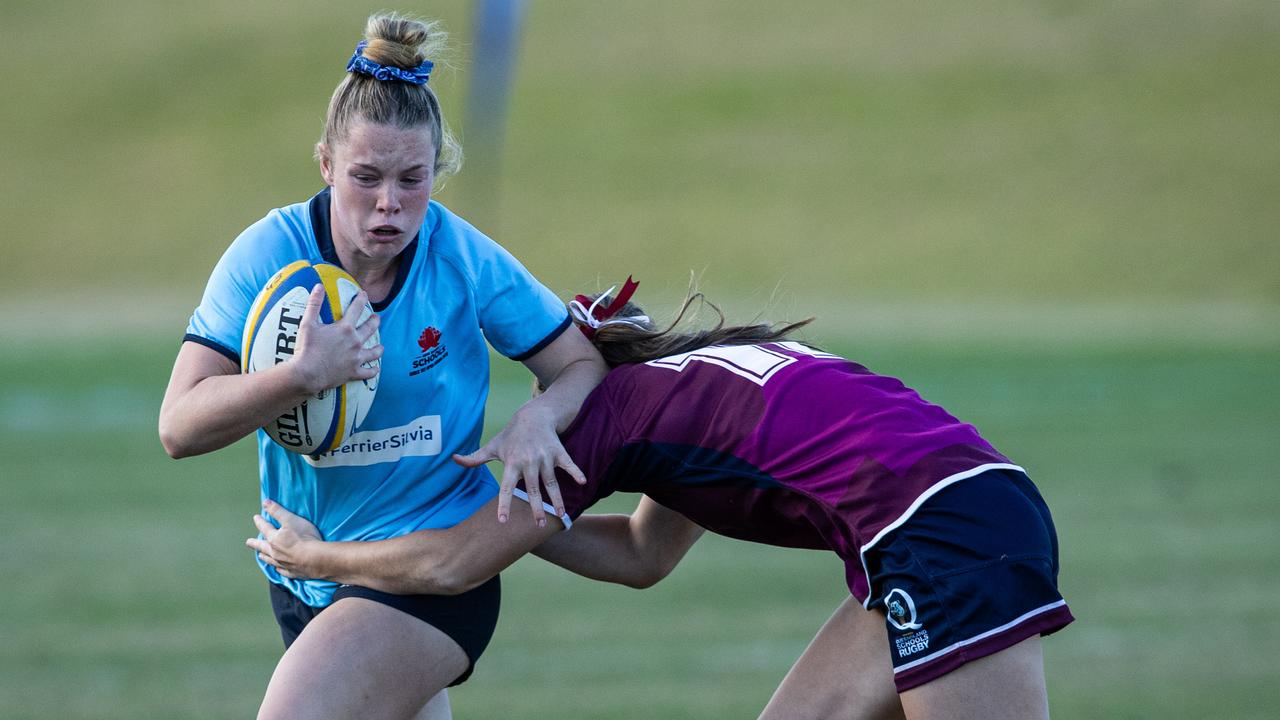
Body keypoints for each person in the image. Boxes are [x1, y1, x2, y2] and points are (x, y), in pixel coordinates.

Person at [249, 281, 1075, 720]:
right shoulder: (694, 381)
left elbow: (455, 563)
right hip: (954, 514)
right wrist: (496, 504)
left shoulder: (609, 411)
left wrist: (316, 557)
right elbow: (646, 556)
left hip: (938, 531)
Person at [158, 13, 608, 720]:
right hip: (301, 571)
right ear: (327, 164)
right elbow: (179, 427)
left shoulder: (462, 257)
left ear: (437, 173)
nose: (390, 205)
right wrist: (302, 375)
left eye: (413, 179)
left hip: (432, 573)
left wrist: (538, 416)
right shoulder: (266, 255)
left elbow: (580, 361)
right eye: (366, 177)